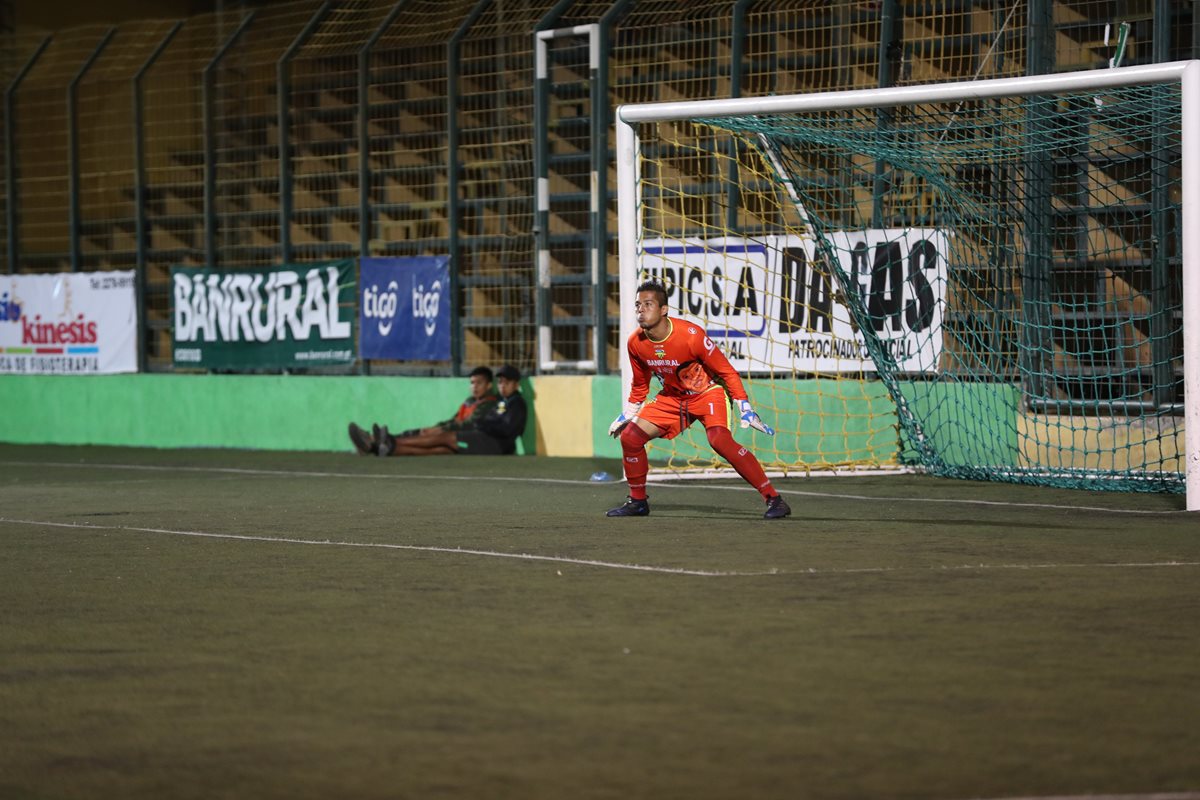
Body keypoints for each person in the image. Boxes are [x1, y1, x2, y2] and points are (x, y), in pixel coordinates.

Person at [606, 280, 791, 519]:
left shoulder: (691, 336)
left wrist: (744, 405)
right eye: (638, 305)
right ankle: (638, 502)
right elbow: (640, 383)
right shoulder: (635, 343)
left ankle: (774, 500)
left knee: (719, 440)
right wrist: (629, 412)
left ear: (664, 310)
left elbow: (726, 371)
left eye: (648, 304)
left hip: (708, 393)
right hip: (672, 399)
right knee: (630, 437)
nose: (641, 309)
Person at [372, 364, 527, 456]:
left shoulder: (517, 404)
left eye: (507, 383)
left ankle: (391, 441)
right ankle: (390, 449)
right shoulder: (503, 402)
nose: (502, 386)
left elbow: (507, 429)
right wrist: (484, 424)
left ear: (516, 384)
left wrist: (483, 424)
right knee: (440, 449)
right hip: (486, 439)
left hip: (496, 445)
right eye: (500, 382)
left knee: (446, 437)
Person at [348, 365, 499, 456]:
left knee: (432, 445)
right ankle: (375, 445)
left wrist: (440, 429)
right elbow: (454, 419)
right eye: (472, 383)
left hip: (464, 440)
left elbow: (469, 424)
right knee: (419, 434)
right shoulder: (469, 401)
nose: (474, 387)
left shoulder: (490, 404)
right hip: (453, 435)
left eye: (479, 383)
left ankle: (379, 441)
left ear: (489, 385)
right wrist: (437, 426)